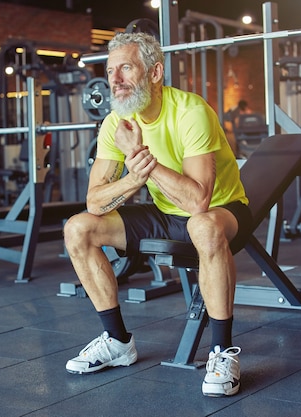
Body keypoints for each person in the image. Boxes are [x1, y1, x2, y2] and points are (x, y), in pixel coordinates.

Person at [63, 32, 252, 397]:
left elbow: (198, 201)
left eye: (126, 68)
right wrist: (134, 175)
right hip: (165, 210)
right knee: (78, 229)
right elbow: (95, 202)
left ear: (154, 73)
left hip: (221, 210)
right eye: (110, 70)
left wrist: (142, 163)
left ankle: (221, 351)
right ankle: (118, 341)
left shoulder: (191, 111)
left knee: (204, 226)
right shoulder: (115, 124)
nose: (114, 80)